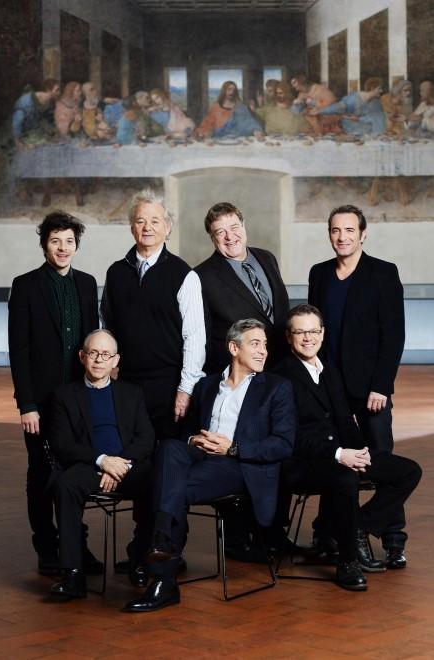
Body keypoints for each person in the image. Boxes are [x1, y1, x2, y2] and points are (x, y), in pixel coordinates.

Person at [124, 319, 296, 612]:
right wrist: (194, 440)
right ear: (233, 347)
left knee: (167, 483)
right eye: (255, 344)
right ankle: (163, 544)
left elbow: (283, 444)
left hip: (239, 465)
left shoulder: (276, 388)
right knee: (170, 448)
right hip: (201, 456)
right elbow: (186, 432)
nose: (263, 351)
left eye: (265, 345)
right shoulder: (207, 385)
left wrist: (233, 447)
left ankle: (162, 573)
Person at [274, 305, 422, 580]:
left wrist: (361, 451)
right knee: (345, 478)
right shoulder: (281, 377)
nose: (308, 338)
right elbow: (290, 437)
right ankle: (348, 561)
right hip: (304, 462)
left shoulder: (329, 371)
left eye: (314, 331)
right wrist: (340, 454)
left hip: (344, 453)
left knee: (409, 471)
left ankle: (359, 526)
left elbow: (345, 421)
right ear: (288, 336)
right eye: (300, 332)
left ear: (323, 333)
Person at [308, 205, 408, 560]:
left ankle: (393, 539)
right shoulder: (319, 274)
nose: (342, 237)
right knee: (335, 461)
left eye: (350, 230)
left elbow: (393, 335)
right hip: (331, 390)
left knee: (381, 461)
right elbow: (315, 333)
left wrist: (381, 385)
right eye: (336, 230)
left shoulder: (383, 273)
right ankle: (327, 535)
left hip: (371, 392)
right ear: (329, 234)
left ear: (363, 234)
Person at [8, 212, 99, 575]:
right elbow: (20, 350)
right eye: (55, 241)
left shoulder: (89, 283)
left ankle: (76, 545)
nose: (63, 248)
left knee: (77, 473)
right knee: (42, 473)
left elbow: (93, 343)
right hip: (41, 402)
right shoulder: (26, 285)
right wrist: (27, 404)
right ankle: (47, 547)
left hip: (79, 400)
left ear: (76, 245)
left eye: (69, 242)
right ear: (44, 244)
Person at [48, 329, 155, 600]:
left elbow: (146, 438)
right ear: (82, 357)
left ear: (115, 360)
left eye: (105, 354)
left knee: (158, 481)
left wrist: (122, 465)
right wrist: (103, 461)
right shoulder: (64, 395)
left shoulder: (132, 394)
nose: (98, 359)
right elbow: (62, 443)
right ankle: (73, 574)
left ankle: (140, 560)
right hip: (89, 464)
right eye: (93, 353)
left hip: (126, 465)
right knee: (65, 485)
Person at [101, 189, 205, 441]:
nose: (147, 227)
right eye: (140, 221)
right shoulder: (116, 273)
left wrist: (186, 388)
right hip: (126, 382)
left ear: (168, 228)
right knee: (129, 451)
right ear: (131, 228)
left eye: (155, 221)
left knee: (165, 453)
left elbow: (195, 336)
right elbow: (107, 324)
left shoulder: (184, 275)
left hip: (168, 384)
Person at [195, 201, 290, 374]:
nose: (230, 237)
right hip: (240, 375)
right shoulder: (200, 276)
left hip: (284, 365)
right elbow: (202, 339)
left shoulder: (267, 257)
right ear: (212, 237)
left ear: (244, 225)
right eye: (220, 232)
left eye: (234, 227)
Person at [312, 77, 386, 137]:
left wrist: (359, 119)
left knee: (380, 118)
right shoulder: (354, 98)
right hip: (351, 127)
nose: (381, 91)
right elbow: (338, 107)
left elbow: (374, 118)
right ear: (372, 88)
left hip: (368, 128)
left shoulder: (376, 102)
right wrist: (321, 111)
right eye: (379, 88)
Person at [195, 81, 263, 139]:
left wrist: (256, 130)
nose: (231, 92)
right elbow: (207, 124)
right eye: (229, 89)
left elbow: (249, 122)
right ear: (224, 91)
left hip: (238, 140)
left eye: (234, 90)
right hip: (218, 139)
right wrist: (203, 132)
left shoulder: (241, 107)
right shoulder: (216, 107)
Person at [12, 79, 60, 148]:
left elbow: (50, 120)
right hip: (25, 136)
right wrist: (18, 142)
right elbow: (17, 124)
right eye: (57, 90)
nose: (59, 93)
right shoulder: (26, 102)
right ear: (48, 90)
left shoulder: (50, 103)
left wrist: (54, 133)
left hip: (38, 134)